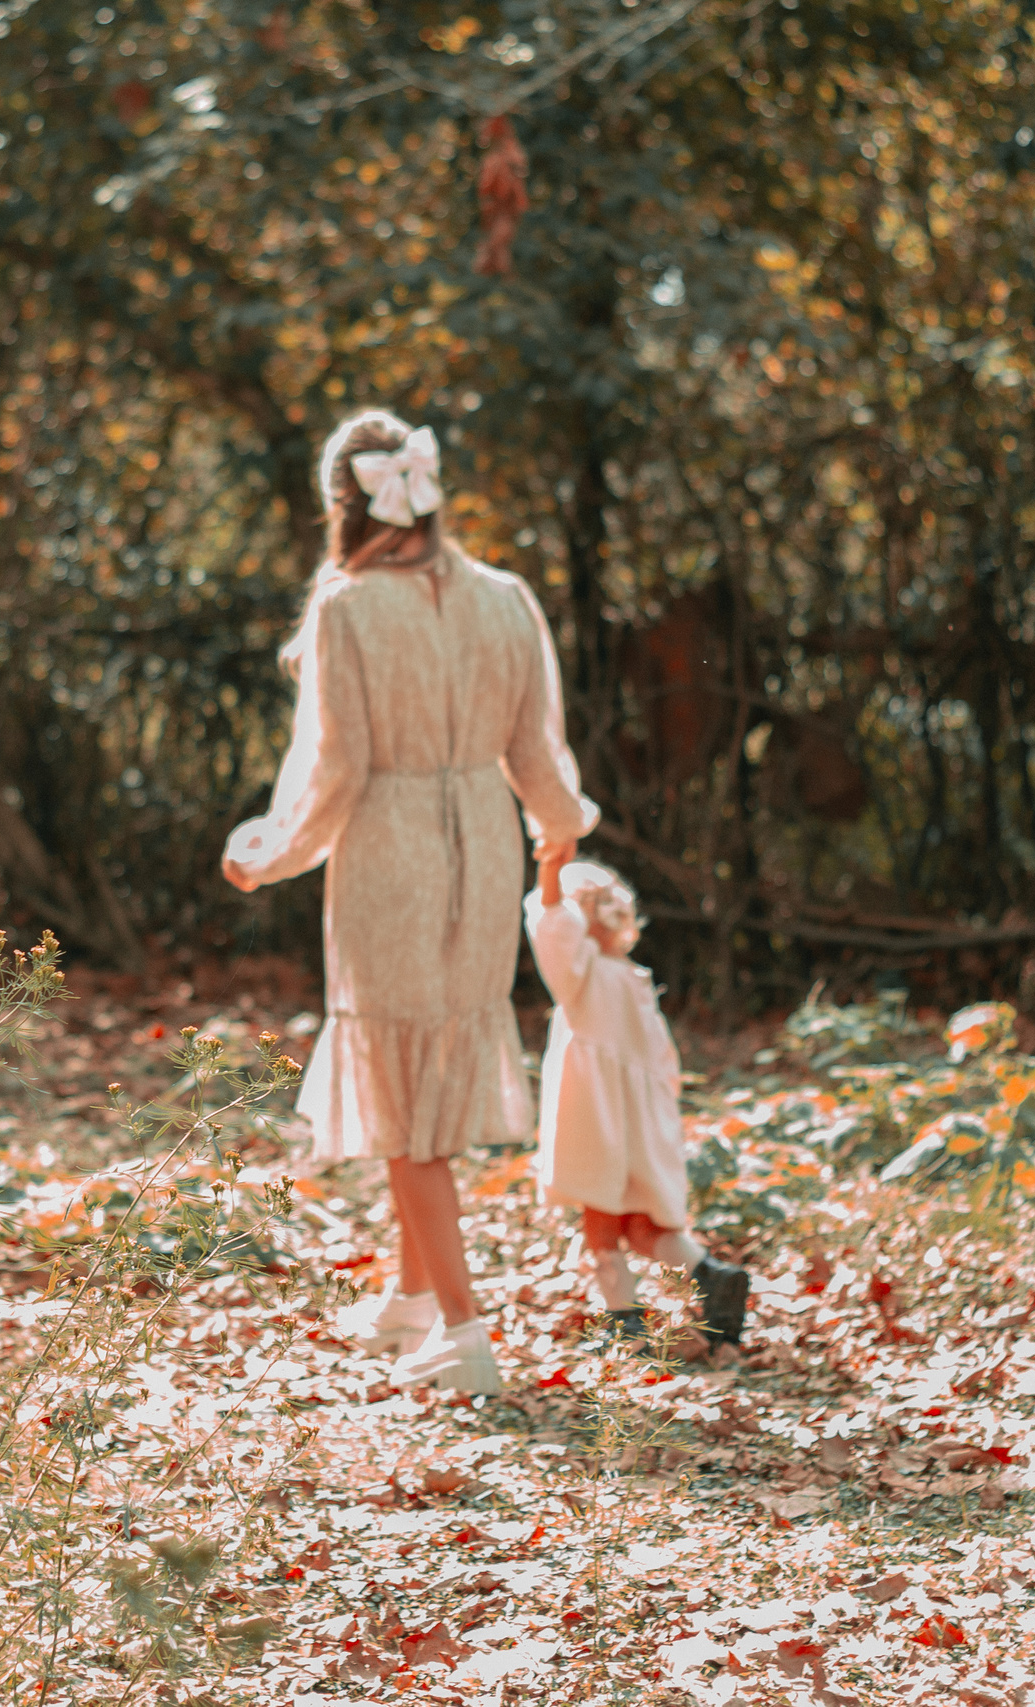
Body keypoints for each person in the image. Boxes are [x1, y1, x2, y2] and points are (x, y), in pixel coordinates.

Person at [223, 409, 597, 1394]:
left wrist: (270, 856)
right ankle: (413, 1296)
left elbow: (338, 770)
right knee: (429, 1066)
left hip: (390, 855)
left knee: (402, 1099)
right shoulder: (507, 598)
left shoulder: (346, 608)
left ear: (341, 505)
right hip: (484, 848)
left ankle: (465, 1334)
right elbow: (537, 753)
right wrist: (562, 829)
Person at [525, 855, 751, 1347]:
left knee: (601, 1226)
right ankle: (711, 1274)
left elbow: (550, 923)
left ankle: (622, 1319)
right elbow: (665, 1062)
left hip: (598, 1121)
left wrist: (552, 862)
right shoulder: (634, 978)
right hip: (644, 1124)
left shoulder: (581, 975)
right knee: (644, 1228)